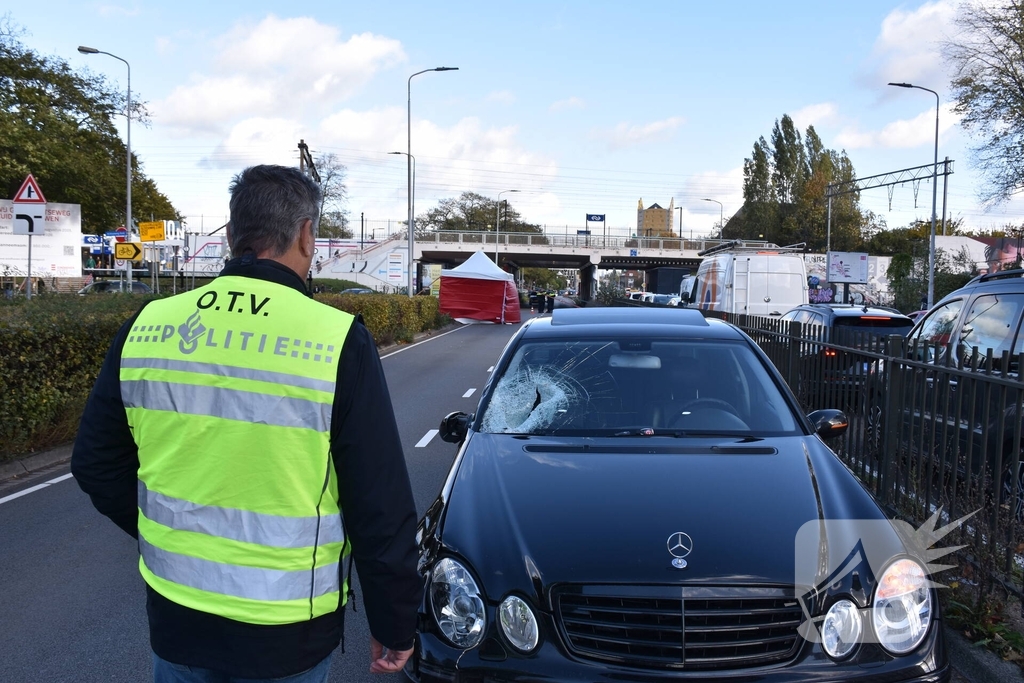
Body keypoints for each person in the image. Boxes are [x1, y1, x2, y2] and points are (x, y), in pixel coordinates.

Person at [72, 165, 422, 682]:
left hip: (178, 618)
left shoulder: (147, 325)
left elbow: (95, 463)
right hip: (286, 632)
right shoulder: (336, 340)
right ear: (306, 234)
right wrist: (395, 623)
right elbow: (379, 503)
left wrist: (166, 532)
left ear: (233, 237)